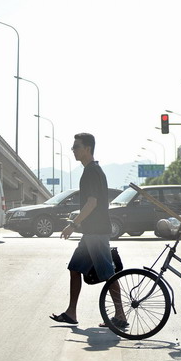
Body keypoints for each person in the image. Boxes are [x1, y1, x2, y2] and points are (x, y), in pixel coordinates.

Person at [50, 133, 126, 328]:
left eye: (76, 146)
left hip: (97, 232)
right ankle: (71, 313)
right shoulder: (91, 170)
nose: (73, 150)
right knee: (75, 269)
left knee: (108, 273)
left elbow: (92, 203)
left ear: (87, 149)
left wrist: (73, 224)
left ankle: (120, 316)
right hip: (90, 233)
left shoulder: (92, 171)